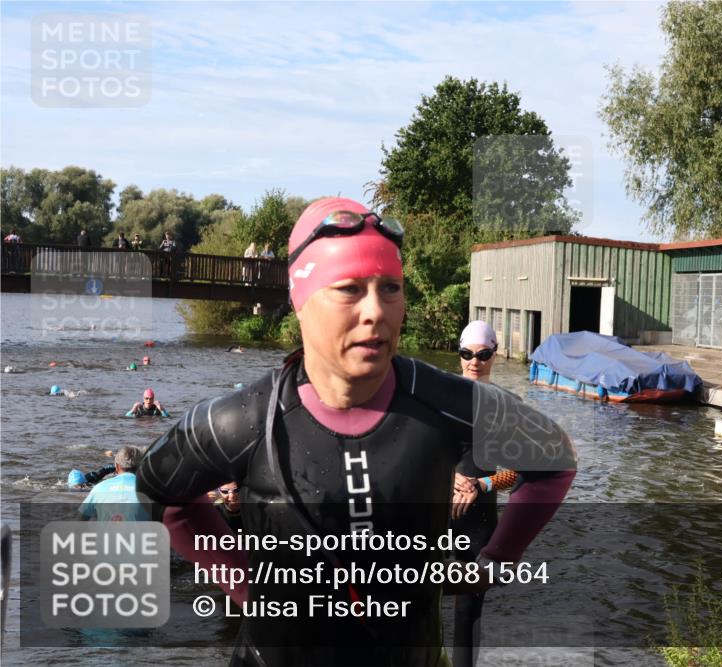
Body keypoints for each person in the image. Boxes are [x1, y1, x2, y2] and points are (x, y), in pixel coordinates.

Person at [136, 196, 576, 666]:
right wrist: (245, 585)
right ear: (300, 300)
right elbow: (160, 492)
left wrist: (497, 560)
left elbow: (555, 462)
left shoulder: (450, 403)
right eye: (349, 288)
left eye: (390, 288)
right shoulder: (241, 420)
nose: (375, 311)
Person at [450, 320, 521, 667]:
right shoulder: (439, 399)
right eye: (467, 354)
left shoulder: (508, 405)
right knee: (415, 599)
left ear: (495, 354)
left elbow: (522, 471)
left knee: (469, 608)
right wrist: (448, 478)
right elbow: (413, 455)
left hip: (479, 519)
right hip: (436, 510)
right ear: (459, 355)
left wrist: (483, 484)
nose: (474, 361)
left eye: (483, 354)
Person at [79, 446, 150, 522]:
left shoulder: (98, 488)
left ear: (117, 466)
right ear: (141, 466)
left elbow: (80, 520)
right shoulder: (150, 490)